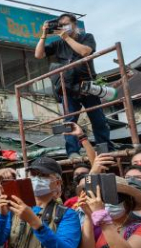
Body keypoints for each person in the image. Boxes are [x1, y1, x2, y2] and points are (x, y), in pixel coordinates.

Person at [34, 13, 109, 158]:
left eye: (66, 24)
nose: (63, 27)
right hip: (67, 85)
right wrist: (43, 35)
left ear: (74, 24)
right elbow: (38, 54)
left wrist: (67, 37)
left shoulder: (86, 37)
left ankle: (104, 148)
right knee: (69, 121)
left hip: (86, 84)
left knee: (98, 119)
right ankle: (73, 152)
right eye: (60, 25)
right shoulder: (58, 43)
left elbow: (85, 51)